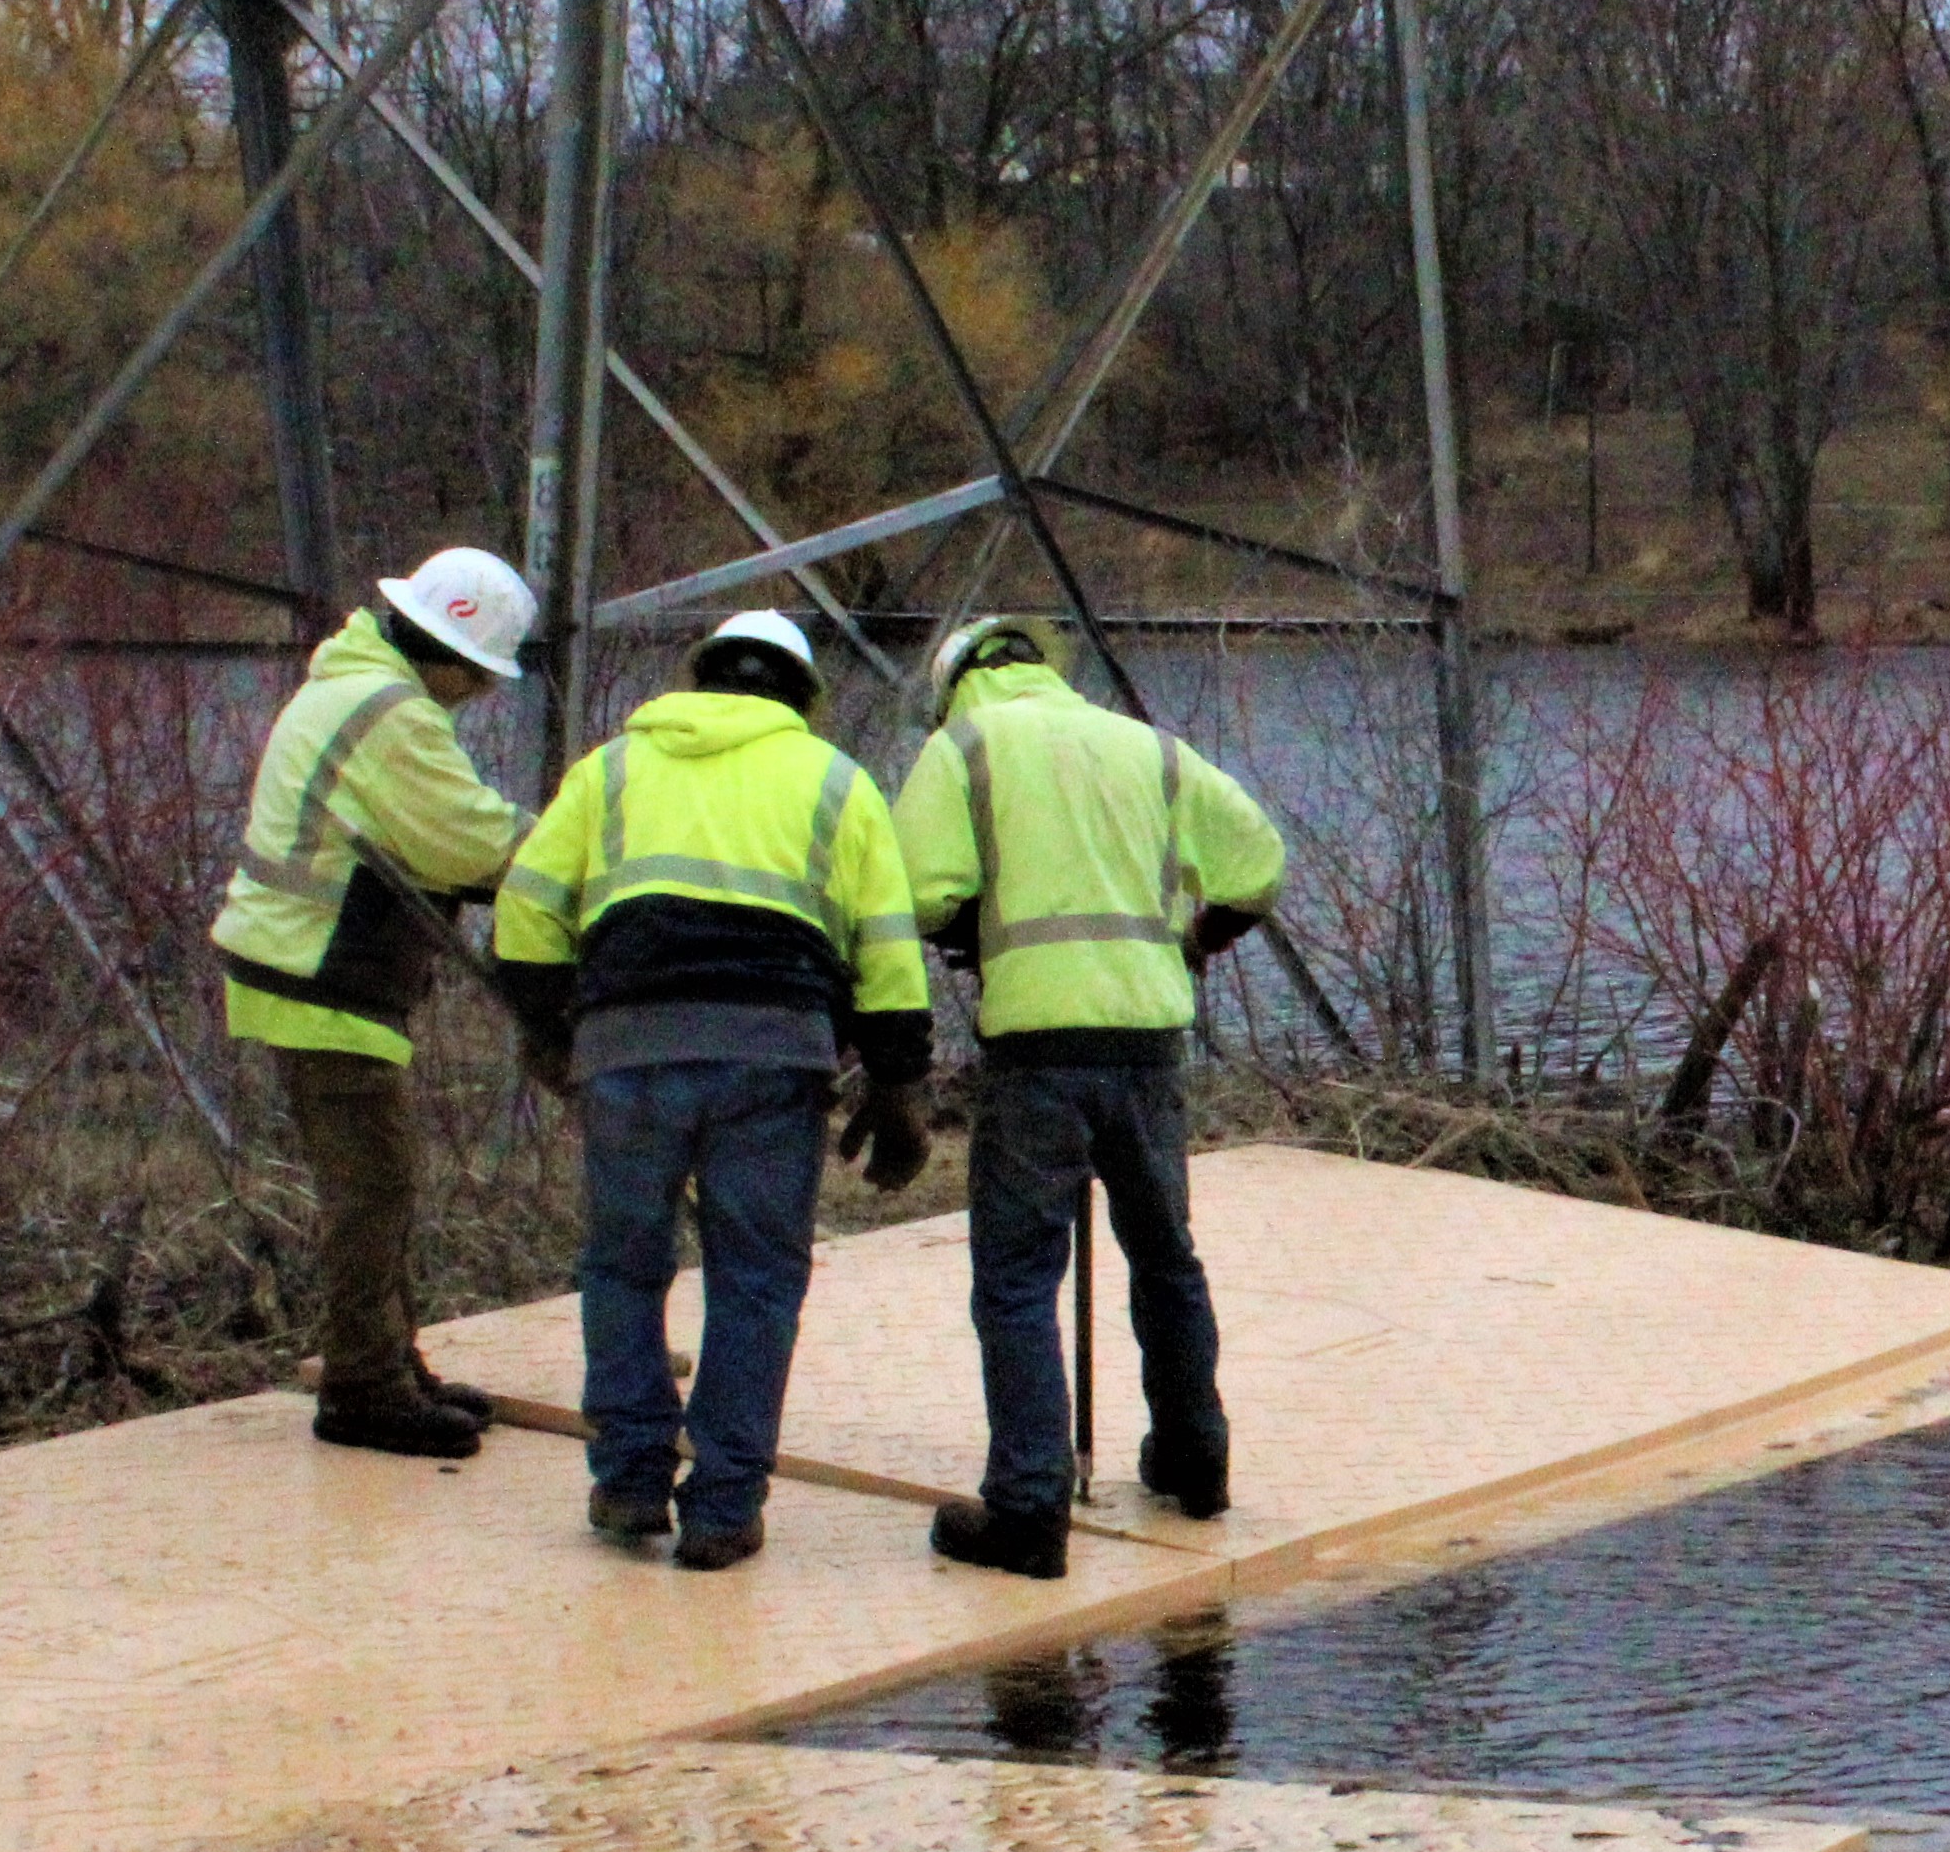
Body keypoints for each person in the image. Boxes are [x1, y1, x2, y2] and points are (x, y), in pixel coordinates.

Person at [484, 607, 935, 1569]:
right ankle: (725, 1508)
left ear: (698, 679)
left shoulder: (609, 770)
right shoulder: (837, 783)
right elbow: (889, 956)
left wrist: (549, 1027)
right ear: (802, 699)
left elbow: (525, 910)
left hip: (627, 1051)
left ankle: (630, 1482)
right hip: (774, 1058)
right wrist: (898, 1092)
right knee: (757, 1278)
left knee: (622, 1266)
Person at [895, 616, 1286, 1575]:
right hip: (1147, 1041)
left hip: (1037, 1050)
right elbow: (1258, 867)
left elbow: (915, 890)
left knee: (1020, 1281)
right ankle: (1196, 1462)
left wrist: (972, 931)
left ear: (954, 687)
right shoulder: (1147, 747)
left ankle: (1029, 1508)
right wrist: (1194, 943)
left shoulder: (963, 749)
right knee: (1165, 1254)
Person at [211, 543, 537, 1456]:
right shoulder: (393, 714)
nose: (480, 694)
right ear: (452, 655)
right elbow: (471, 842)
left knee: (377, 1180)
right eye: (479, 676)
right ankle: (364, 1387)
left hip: (303, 965)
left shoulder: (346, 686)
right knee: (375, 1185)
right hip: (324, 972)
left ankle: (391, 1363)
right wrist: (582, 854)